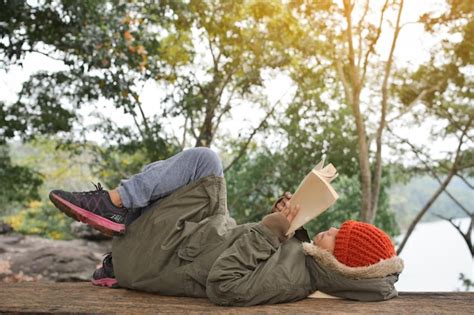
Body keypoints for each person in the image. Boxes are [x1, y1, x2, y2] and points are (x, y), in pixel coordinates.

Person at [49, 147, 404, 306]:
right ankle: (118, 239)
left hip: (164, 256)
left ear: (343, 261)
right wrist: (277, 220)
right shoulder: (306, 265)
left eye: (339, 239)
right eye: (339, 227)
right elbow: (239, 249)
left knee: (205, 163)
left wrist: (270, 231)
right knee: (185, 175)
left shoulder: (295, 278)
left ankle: (114, 207)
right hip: (179, 250)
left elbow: (224, 285)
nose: (331, 231)